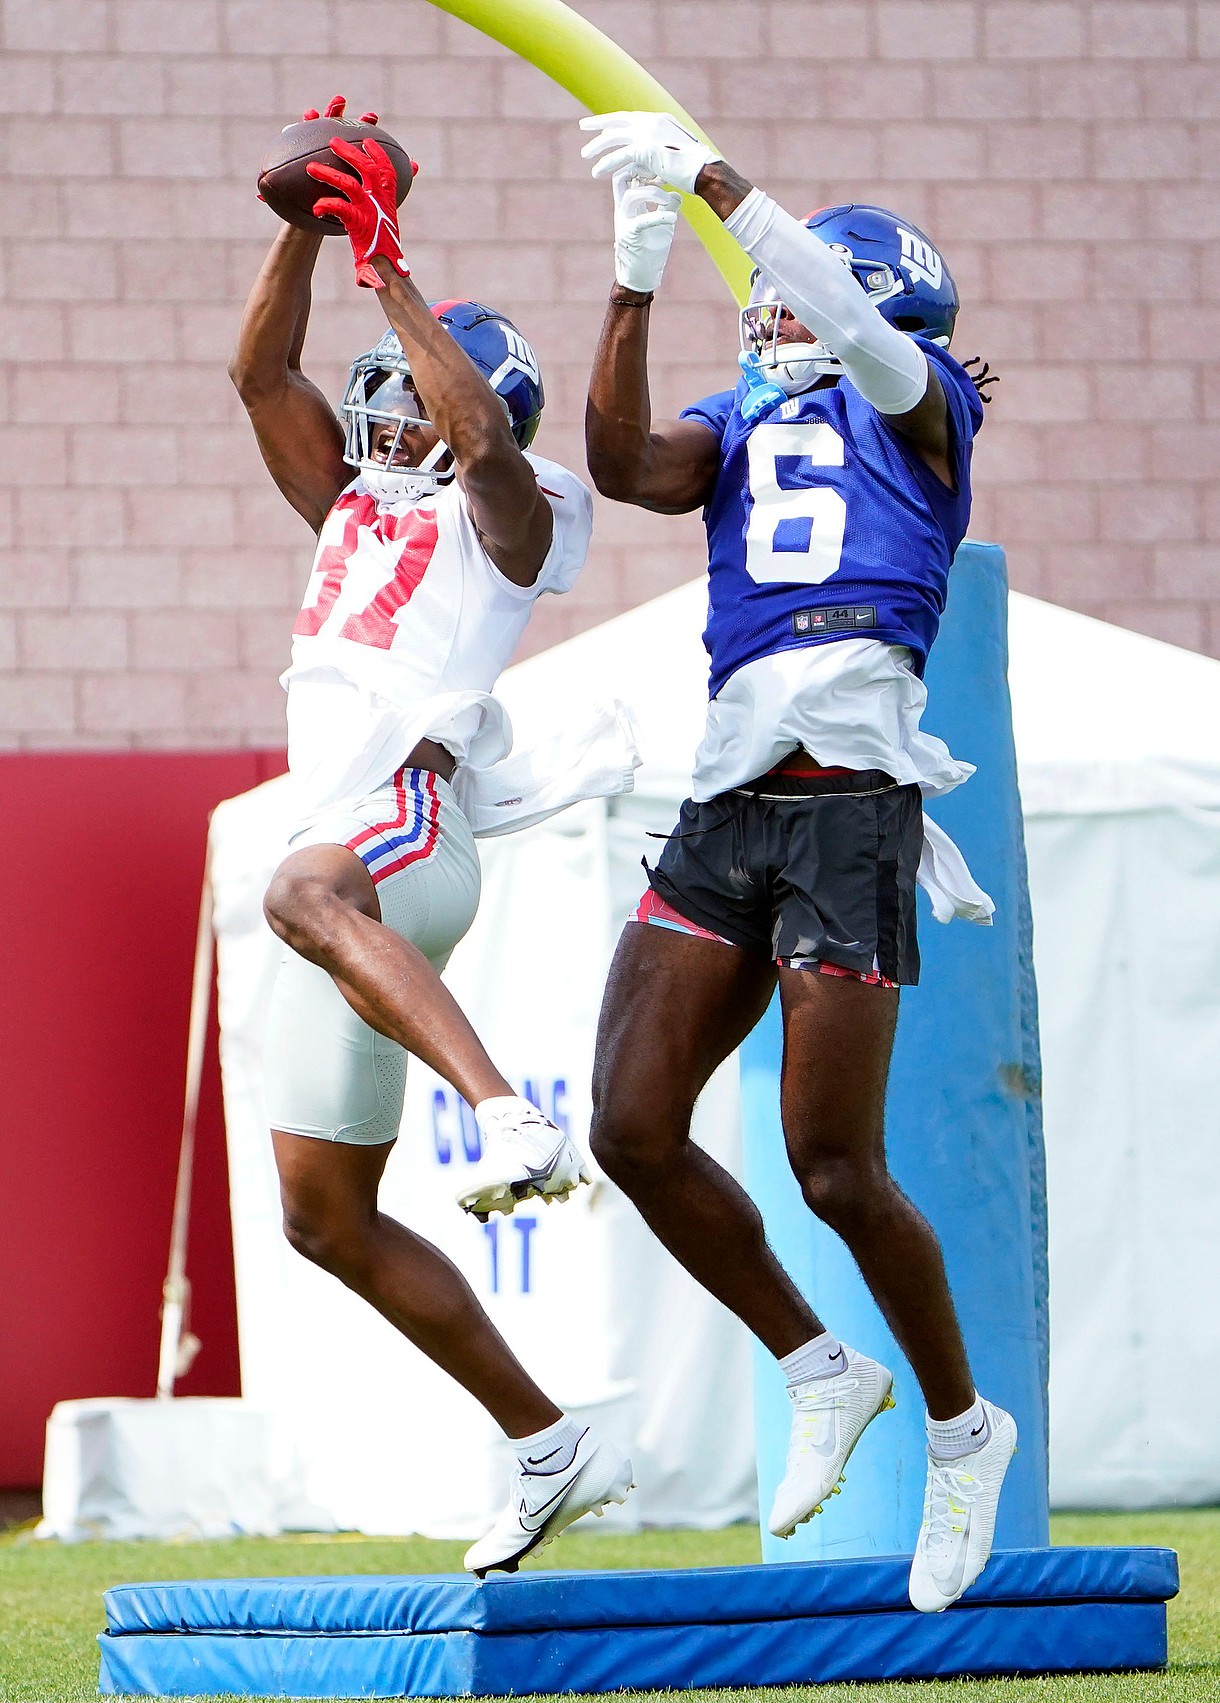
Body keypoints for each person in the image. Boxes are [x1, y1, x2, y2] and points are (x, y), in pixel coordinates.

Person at [577, 111, 1014, 1612]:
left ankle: (964, 1427)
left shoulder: (925, 402)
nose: (765, 315)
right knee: (629, 1124)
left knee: (837, 1164)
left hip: (852, 802)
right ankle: (820, 1366)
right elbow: (624, 461)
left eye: (793, 293)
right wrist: (633, 276)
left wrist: (710, 180)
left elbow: (841, 314)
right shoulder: (746, 417)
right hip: (730, 797)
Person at [229, 97, 632, 1575]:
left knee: (301, 882)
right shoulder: (345, 502)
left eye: (415, 386)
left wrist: (395, 270)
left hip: (410, 818)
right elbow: (259, 369)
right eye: (382, 383)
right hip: (338, 865)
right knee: (323, 1217)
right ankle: (547, 1437)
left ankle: (509, 1112)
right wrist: (304, 231)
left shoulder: (505, 515)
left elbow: (480, 445)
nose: (392, 407)